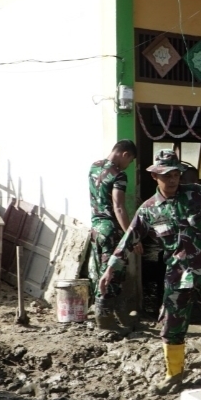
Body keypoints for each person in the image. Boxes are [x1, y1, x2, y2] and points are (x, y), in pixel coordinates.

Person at [99, 150, 201, 392]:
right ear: (155, 176)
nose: (173, 179)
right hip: (178, 276)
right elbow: (127, 240)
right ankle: (174, 375)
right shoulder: (148, 210)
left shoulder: (197, 193)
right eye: (167, 175)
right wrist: (109, 270)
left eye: (176, 174)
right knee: (171, 326)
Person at [88, 139, 137, 332]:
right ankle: (105, 323)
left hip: (96, 228)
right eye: (130, 160)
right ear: (125, 154)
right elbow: (118, 206)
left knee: (101, 272)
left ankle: (113, 317)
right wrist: (129, 234)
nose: (129, 165)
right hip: (111, 230)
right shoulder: (119, 175)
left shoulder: (94, 167)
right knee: (112, 274)